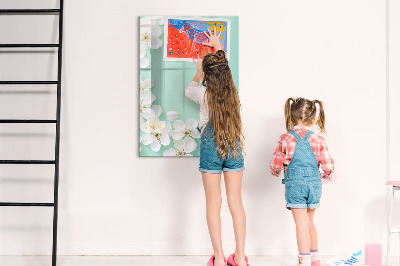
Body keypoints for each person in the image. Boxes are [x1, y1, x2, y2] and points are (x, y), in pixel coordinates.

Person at [185, 28, 248, 266]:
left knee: (214, 203)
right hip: (233, 146)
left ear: (207, 78)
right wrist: (219, 46)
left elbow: (188, 90)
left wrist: (198, 71)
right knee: (236, 202)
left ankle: (220, 258)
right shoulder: (233, 93)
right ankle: (240, 257)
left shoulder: (203, 94)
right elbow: (224, 69)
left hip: (211, 148)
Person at [270, 98, 335, 266]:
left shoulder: (285, 138)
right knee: (309, 222)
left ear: (291, 117)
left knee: (301, 224)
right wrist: (327, 175)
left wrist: (275, 171)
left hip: (295, 186)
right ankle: (315, 260)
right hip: (314, 185)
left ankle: (304, 261)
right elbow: (328, 165)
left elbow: (275, 164)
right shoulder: (318, 139)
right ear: (313, 120)